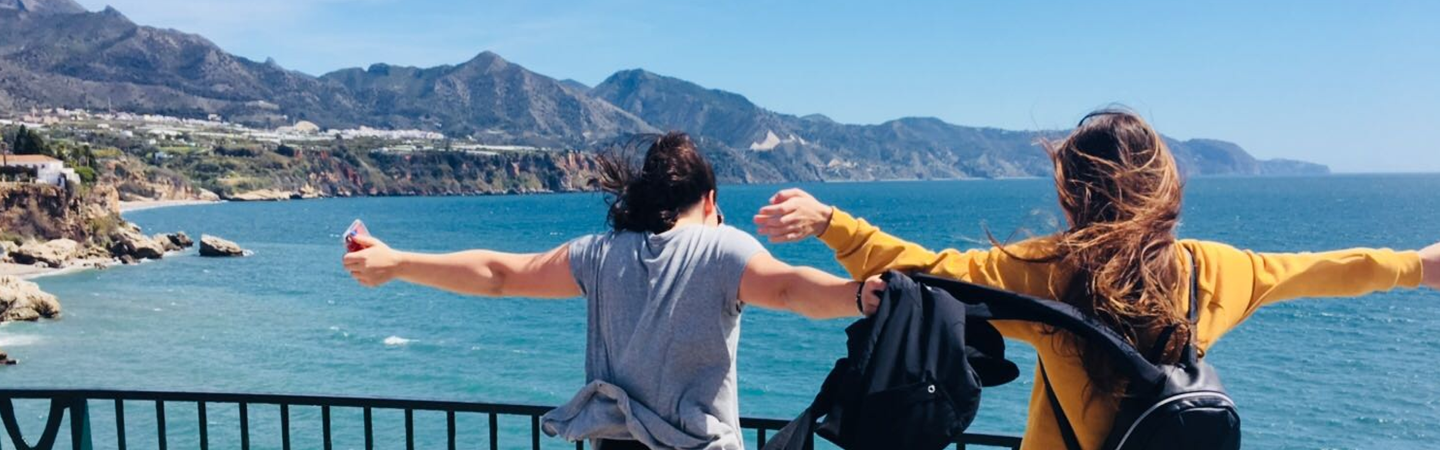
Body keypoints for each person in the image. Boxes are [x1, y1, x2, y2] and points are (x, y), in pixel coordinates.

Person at [752, 109, 1440, 450]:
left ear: (1071, 191)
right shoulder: (1212, 269)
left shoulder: (1046, 270)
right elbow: (1327, 271)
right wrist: (1420, 266)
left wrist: (830, 221)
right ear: (1164, 185)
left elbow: (923, 274)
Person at [344, 132, 877, 450]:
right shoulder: (724, 250)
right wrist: (859, 296)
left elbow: (500, 273)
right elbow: (787, 290)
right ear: (711, 199)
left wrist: (396, 262)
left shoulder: (600, 253)